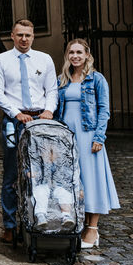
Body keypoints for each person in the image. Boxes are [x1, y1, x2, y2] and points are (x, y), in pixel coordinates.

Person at [0, 19, 58, 245]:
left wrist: (49, 110)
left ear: (33, 36)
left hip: (40, 120)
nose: (24, 39)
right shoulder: (1, 61)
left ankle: (39, 220)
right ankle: (10, 224)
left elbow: (52, 89)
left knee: (41, 171)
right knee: (12, 173)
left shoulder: (44, 59)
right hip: (14, 121)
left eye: (28, 35)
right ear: (12, 35)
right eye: (19, 35)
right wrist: (16, 112)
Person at [55, 38, 119, 250]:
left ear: (87, 55)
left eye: (79, 52)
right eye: (71, 52)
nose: (75, 56)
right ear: (67, 56)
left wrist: (99, 138)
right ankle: (77, 224)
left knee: (91, 181)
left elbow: (104, 110)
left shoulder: (96, 79)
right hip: (68, 137)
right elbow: (56, 111)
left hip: (88, 136)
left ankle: (93, 229)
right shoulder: (61, 80)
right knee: (72, 181)